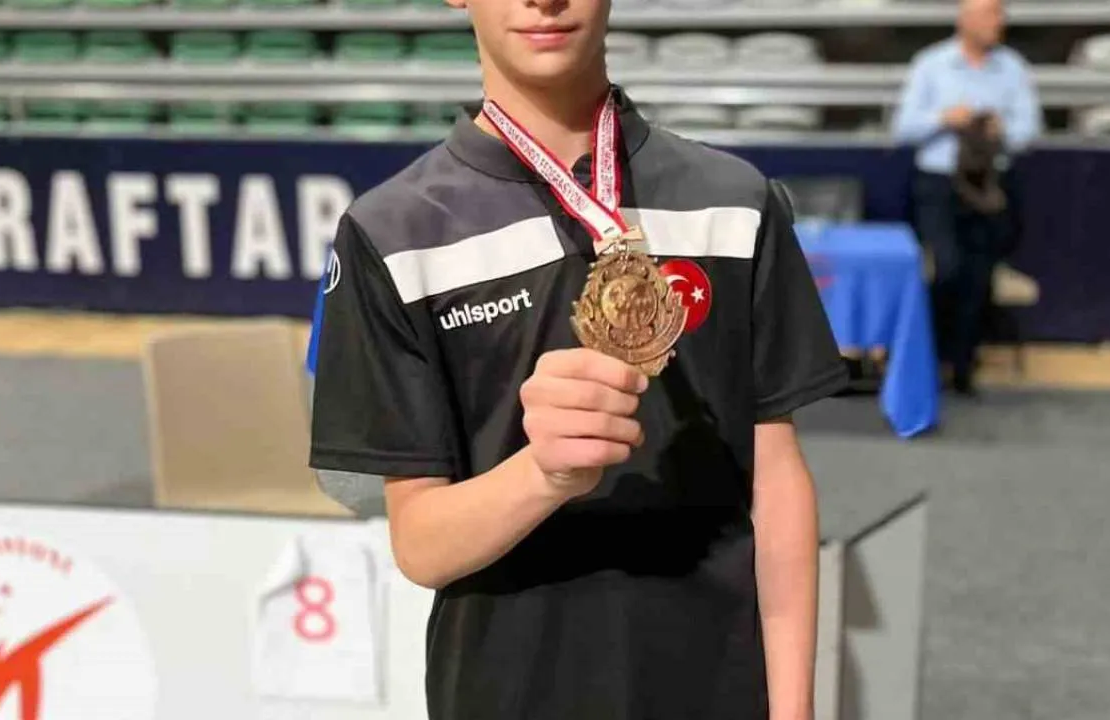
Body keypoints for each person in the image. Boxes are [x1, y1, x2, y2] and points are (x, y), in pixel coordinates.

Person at [308, 0, 850, 718]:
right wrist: (542, 474)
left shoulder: (734, 202)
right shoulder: (394, 233)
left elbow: (776, 480)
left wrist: (793, 709)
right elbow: (420, 547)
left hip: (717, 685)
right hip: (508, 693)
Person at [892, 0, 1042, 395]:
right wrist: (943, 119)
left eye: (1001, 13)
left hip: (989, 185)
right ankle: (930, 357)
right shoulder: (931, 64)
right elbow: (903, 128)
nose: (999, 21)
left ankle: (963, 366)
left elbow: (1029, 132)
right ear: (966, 19)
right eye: (991, 13)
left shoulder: (1013, 68)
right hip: (939, 185)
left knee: (979, 277)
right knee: (947, 268)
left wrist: (1000, 129)